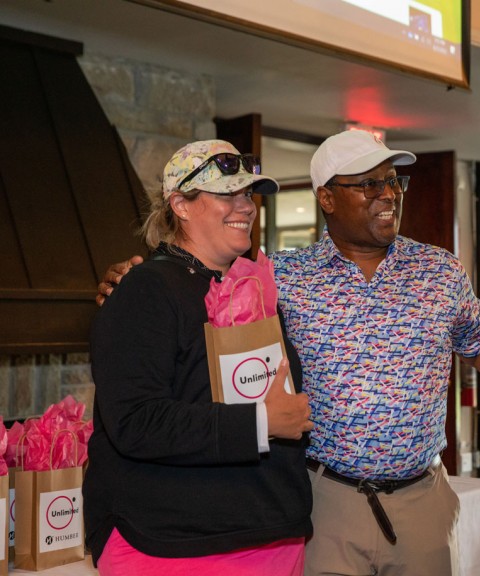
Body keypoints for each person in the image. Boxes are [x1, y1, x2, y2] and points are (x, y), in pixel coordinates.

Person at [98, 130, 480, 576]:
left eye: (392, 181)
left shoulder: (438, 271)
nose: (387, 194)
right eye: (367, 184)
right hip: (323, 498)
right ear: (326, 197)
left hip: (422, 500)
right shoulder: (275, 277)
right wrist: (131, 278)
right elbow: (192, 285)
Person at [84, 140, 314, 576]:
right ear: (181, 205)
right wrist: (261, 423)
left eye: (248, 194)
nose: (245, 206)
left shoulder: (260, 288)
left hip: (272, 532)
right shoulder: (144, 290)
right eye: (227, 194)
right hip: (172, 544)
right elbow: (135, 420)